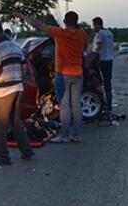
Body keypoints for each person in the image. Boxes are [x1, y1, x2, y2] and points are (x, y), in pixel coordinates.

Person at [16, 11, 87, 143]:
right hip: (78, 73)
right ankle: (77, 135)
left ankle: (65, 135)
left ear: (65, 22)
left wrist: (23, 17)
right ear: (76, 22)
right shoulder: (82, 34)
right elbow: (85, 48)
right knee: (76, 105)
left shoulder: (60, 33)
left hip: (63, 73)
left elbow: (38, 25)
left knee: (64, 106)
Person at [0, 20, 34, 166]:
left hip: (4, 91)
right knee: (15, 122)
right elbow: (25, 68)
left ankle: (3, 158)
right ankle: (27, 152)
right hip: (18, 88)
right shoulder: (16, 46)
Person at [92, 17, 114, 119]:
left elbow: (99, 46)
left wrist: (92, 56)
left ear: (98, 24)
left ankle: (102, 104)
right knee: (108, 83)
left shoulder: (100, 33)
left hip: (102, 61)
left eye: (94, 25)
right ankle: (109, 106)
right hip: (109, 60)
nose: (93, 27)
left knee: (98, 83)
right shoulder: (109, 33)